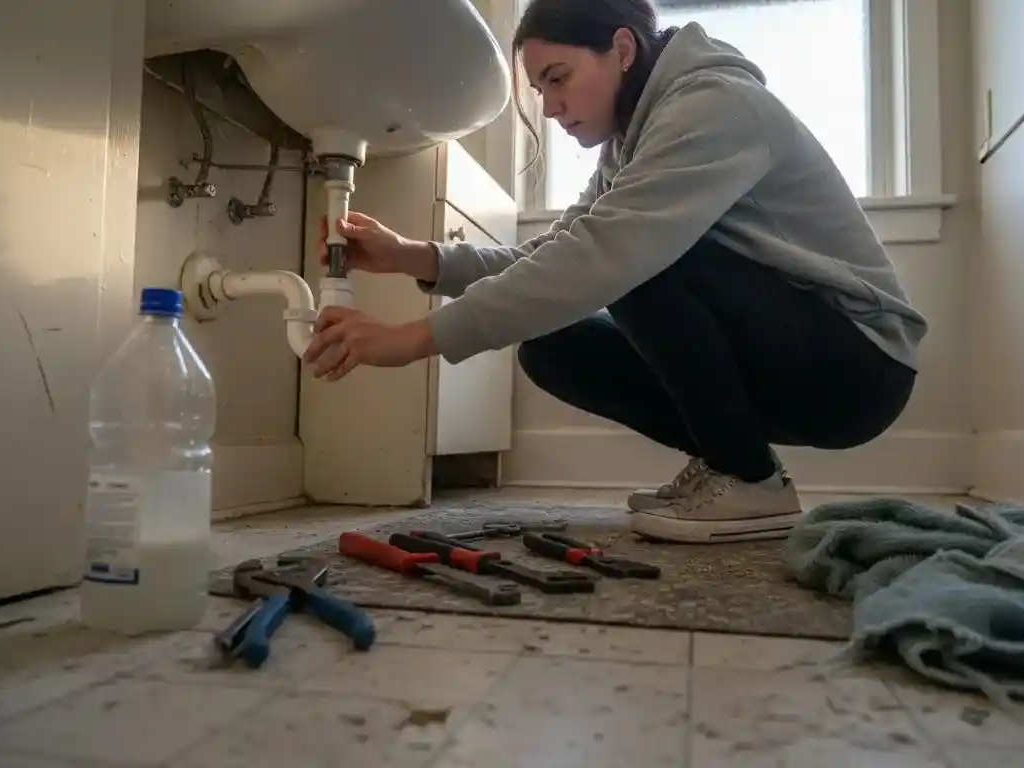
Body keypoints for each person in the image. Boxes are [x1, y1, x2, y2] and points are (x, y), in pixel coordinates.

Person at [303, 0, 926, 544]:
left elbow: (600, 256)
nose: (550, 107)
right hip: (797, 354)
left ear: (622, 50)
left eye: (558, 78)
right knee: (551, 346)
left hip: (859, 365)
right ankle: (733, 462)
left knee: (630, 261)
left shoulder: (715, 106)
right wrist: (411, 256)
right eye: (540, 90)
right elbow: (555, 254)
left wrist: (411, 339)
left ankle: (749, 479)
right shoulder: (630, 146)